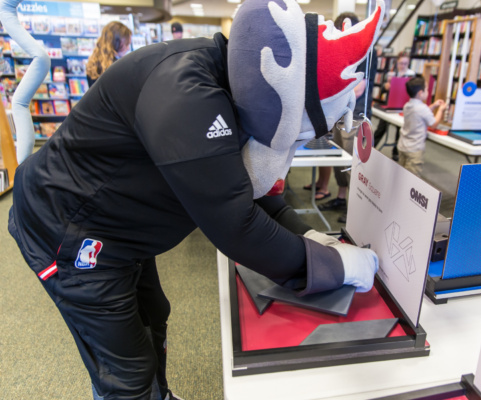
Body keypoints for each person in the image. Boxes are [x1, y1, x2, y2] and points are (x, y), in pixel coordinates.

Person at [8, 0, 385, 398]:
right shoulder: (186, 95)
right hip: (67, 228)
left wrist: (309, 235)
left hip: (117, 221)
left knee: (154, 313)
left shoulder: (236, 80)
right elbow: (236, 225)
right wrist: (336, 266)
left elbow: (242, 187)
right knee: (126, 370)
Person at [316, 11, 378, 223]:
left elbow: (358, 88)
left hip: (356, 116)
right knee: (340, 161)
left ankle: (357, 211)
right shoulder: (345, 48)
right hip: (339, 114)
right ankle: (341, 198)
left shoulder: (365, 50)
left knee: (354, 165)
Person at [396, 75, 446, 177]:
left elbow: (423, 113)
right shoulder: (422, 108)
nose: (428, 91)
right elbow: (434, 124)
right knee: (412, 179)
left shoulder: (407, 105)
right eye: (426, 89)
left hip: (403, 146)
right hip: (414, 149)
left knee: (402, 175)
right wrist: (440, 110)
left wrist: (434, 106)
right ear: (420, 93)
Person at [373, 52, 416, 160]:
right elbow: (382, 90)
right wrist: (385, 86)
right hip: (390, 105)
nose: (403, 66)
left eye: (405, 63)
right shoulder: (391, 74)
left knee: (400, 130)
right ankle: (371, 147)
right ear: (397, 62)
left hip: (403, 107)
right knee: (381, 128)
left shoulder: (411, 75)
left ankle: (395, 153)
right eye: (401, 63)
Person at [86, 21, 132, 87]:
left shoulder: (93, 63)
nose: (128, 48)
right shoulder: (118, 67)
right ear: (116, 43)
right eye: (127, 44)